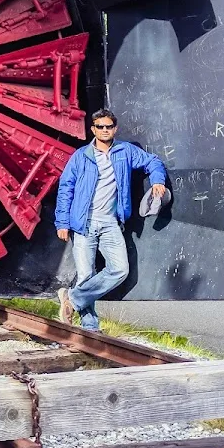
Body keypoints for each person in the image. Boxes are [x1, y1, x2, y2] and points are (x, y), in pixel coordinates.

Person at [55, 108, 167, 331]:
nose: (104, 130)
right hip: (83, 222)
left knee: (119, 270)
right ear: (93, 129)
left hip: (110, 222)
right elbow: (65, 188)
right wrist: (62, 222)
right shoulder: (81, 156)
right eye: (100, 127)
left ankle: (72, 297)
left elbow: (153, 161)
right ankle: (90, 326)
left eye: (108, 126)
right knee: (87, 275)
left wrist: (157, 180)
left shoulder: (125, 151)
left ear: (115, 128)